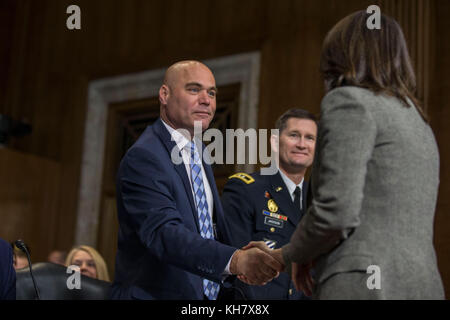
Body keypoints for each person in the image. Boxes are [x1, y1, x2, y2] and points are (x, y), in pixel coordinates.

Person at [247, 10, 445, 300]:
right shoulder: (419, 122)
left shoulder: (349, 101)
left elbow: (336, 211)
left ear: (340, 54)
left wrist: (285, 255)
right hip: (423, 285)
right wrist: (309, 252)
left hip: (362, 283)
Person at [111, 60, 282, 300]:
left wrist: (243, 253)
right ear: (164, 95)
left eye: (211, 92)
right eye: (194, 89)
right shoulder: (145, 156)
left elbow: (206, 230)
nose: (206, 100)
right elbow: (164, 233)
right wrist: (235, 261)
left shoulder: (197, 150)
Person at [221, 108, 317, 299]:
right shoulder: (246, 189)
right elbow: (234, 268)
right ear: (274, 141)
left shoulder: (319, 200)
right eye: (294, 135)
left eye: (310, 138)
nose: (301, 144)